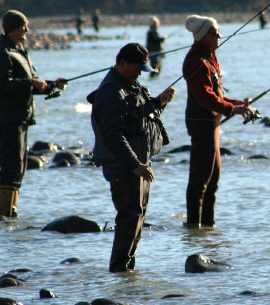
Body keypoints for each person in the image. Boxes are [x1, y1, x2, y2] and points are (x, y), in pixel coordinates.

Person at [89, 43, 176, 272]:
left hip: (137, 163)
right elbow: (112, 135)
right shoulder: (111, 91)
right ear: (122, 63)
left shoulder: (129, 84)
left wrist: (159, 103)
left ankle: (127, 276)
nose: (140, 71)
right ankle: (119, 270)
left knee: (137, 217)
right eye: (137, 67)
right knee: (129, 217)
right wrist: (135, 165)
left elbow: (135, 117)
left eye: (142, 68)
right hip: (124, 166)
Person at [0, 10, 68, 219]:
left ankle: (10, 214)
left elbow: (31, 84)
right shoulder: (1, 54)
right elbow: (4, 85)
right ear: (14, 28)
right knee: (11, 166)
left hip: (21, 117)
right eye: (24, 27)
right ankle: (3, 214)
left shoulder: (20, 52)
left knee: (19, 166)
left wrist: (51, 85)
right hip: (8, 119)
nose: (27, 31)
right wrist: (32, 83)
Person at [182, 15, 255, 229]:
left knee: (213, 179)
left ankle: (208, 229)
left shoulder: (210, 57)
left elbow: (217, 96)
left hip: (212, 124)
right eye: (215, 33)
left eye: (219, 31)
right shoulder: (195, 61)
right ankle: (194, 227)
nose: (219, 36)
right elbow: (206, 98)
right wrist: (234, 109)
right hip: (201, 124)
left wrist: (239, 104)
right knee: (200, 180)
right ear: (204, 36)